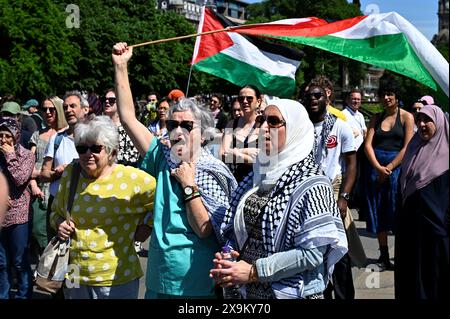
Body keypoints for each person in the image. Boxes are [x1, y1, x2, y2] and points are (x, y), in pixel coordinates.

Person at [112, 42, 237, 298]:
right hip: (159, 277)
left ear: (203, 134)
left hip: (195, 281)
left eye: (187, 126)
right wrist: (120, 65)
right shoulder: (162, 156)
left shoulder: (212, 170)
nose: (178, 131)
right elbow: (127, 117)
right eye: (172, 124)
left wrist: (189, 185)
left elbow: (204, 228)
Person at [210, 99, 348, 299]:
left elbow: (312, 254)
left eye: (273, 121)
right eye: (262, 120)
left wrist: (253, 272)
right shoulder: (257, 174)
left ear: (294, 129)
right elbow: (237, 228)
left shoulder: (314, 183)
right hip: (248, 293)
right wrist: (228, 255)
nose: (264, 127)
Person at [50, 115, 156, 299]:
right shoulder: (71, 174)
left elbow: (163, 202)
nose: (88, 154)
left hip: (116, 278)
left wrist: (146, 227)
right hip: (73, 272)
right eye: (82, 148)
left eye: (96, 148)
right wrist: (59, 223)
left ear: (112, 151)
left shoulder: (133, 179)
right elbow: (55, 212)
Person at [303, 82, 361, 300]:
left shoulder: (340, 126)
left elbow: (351, 165)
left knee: (339, 250)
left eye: (317, 95)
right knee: (315, 250)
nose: (313, 100)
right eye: (309, 96)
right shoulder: (300, 126)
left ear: (326, 98)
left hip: (333, 190)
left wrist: (344, 197)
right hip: (307, 192)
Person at [395, 104, 449, 299]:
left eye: (428, 120)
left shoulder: (447, 155)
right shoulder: (413, 147)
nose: (422, 124)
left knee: (434, 283)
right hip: (410, 229)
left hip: (436, 235)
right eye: (419, 120)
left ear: (440, 123)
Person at [364, 76, 414, 270]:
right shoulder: (375, 119)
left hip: (396, 170)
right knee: (378, 212)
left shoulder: (406, 117)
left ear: (396, 96)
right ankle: (383, 255)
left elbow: (408, 146)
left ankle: (400, 255)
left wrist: (391, 167)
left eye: (390, 94)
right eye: (383, 94)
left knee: (396, 211)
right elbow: (367, 145)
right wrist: (378, 167)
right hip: (376, 171)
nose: (386, 98)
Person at [40, 90, 89, 240]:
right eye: (65, 107)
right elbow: (43, 174)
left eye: (73, 106)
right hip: (58, 207)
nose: (68, 110)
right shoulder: (57, 139)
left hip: (86, 203)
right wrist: (57, 173)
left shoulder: (94, 139)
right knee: (56, 257)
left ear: (85, 109)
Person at [0, 118, 35, 299]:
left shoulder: (27, 155)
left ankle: (23, 295)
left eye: (8, 136)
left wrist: (9, 156)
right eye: (1, 136)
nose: (4, 140)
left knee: (20, 261)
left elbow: (21, 178)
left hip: (18, 215)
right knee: (2, 263)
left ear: (16, 137)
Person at [29, 96, 68, 254]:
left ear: (59, 110)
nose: (47, 112)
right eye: (44, 109)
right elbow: (29, 164)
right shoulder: (37, 135)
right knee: (39, 231)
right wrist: (33, 183)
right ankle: (42, 267)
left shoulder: (65, 135)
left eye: (51, 109)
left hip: (59, 189)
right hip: (38, 190)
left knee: (59, 231)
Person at [221, 85, 262, 183]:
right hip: (232, 180)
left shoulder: (265, 125)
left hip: (253, 182)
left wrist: (236, 154)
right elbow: (223, 154)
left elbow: (263, 162)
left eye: (249, 98)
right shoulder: (232, 124)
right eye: (241, 98)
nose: (244, 101)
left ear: (258, 102)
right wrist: (246, 151)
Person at [103, 88, 141, 167]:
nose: (107, 102)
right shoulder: (99, 126)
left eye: (111, 100)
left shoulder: (128, 129)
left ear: (120, 102)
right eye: (105, 99)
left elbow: (132, 158)